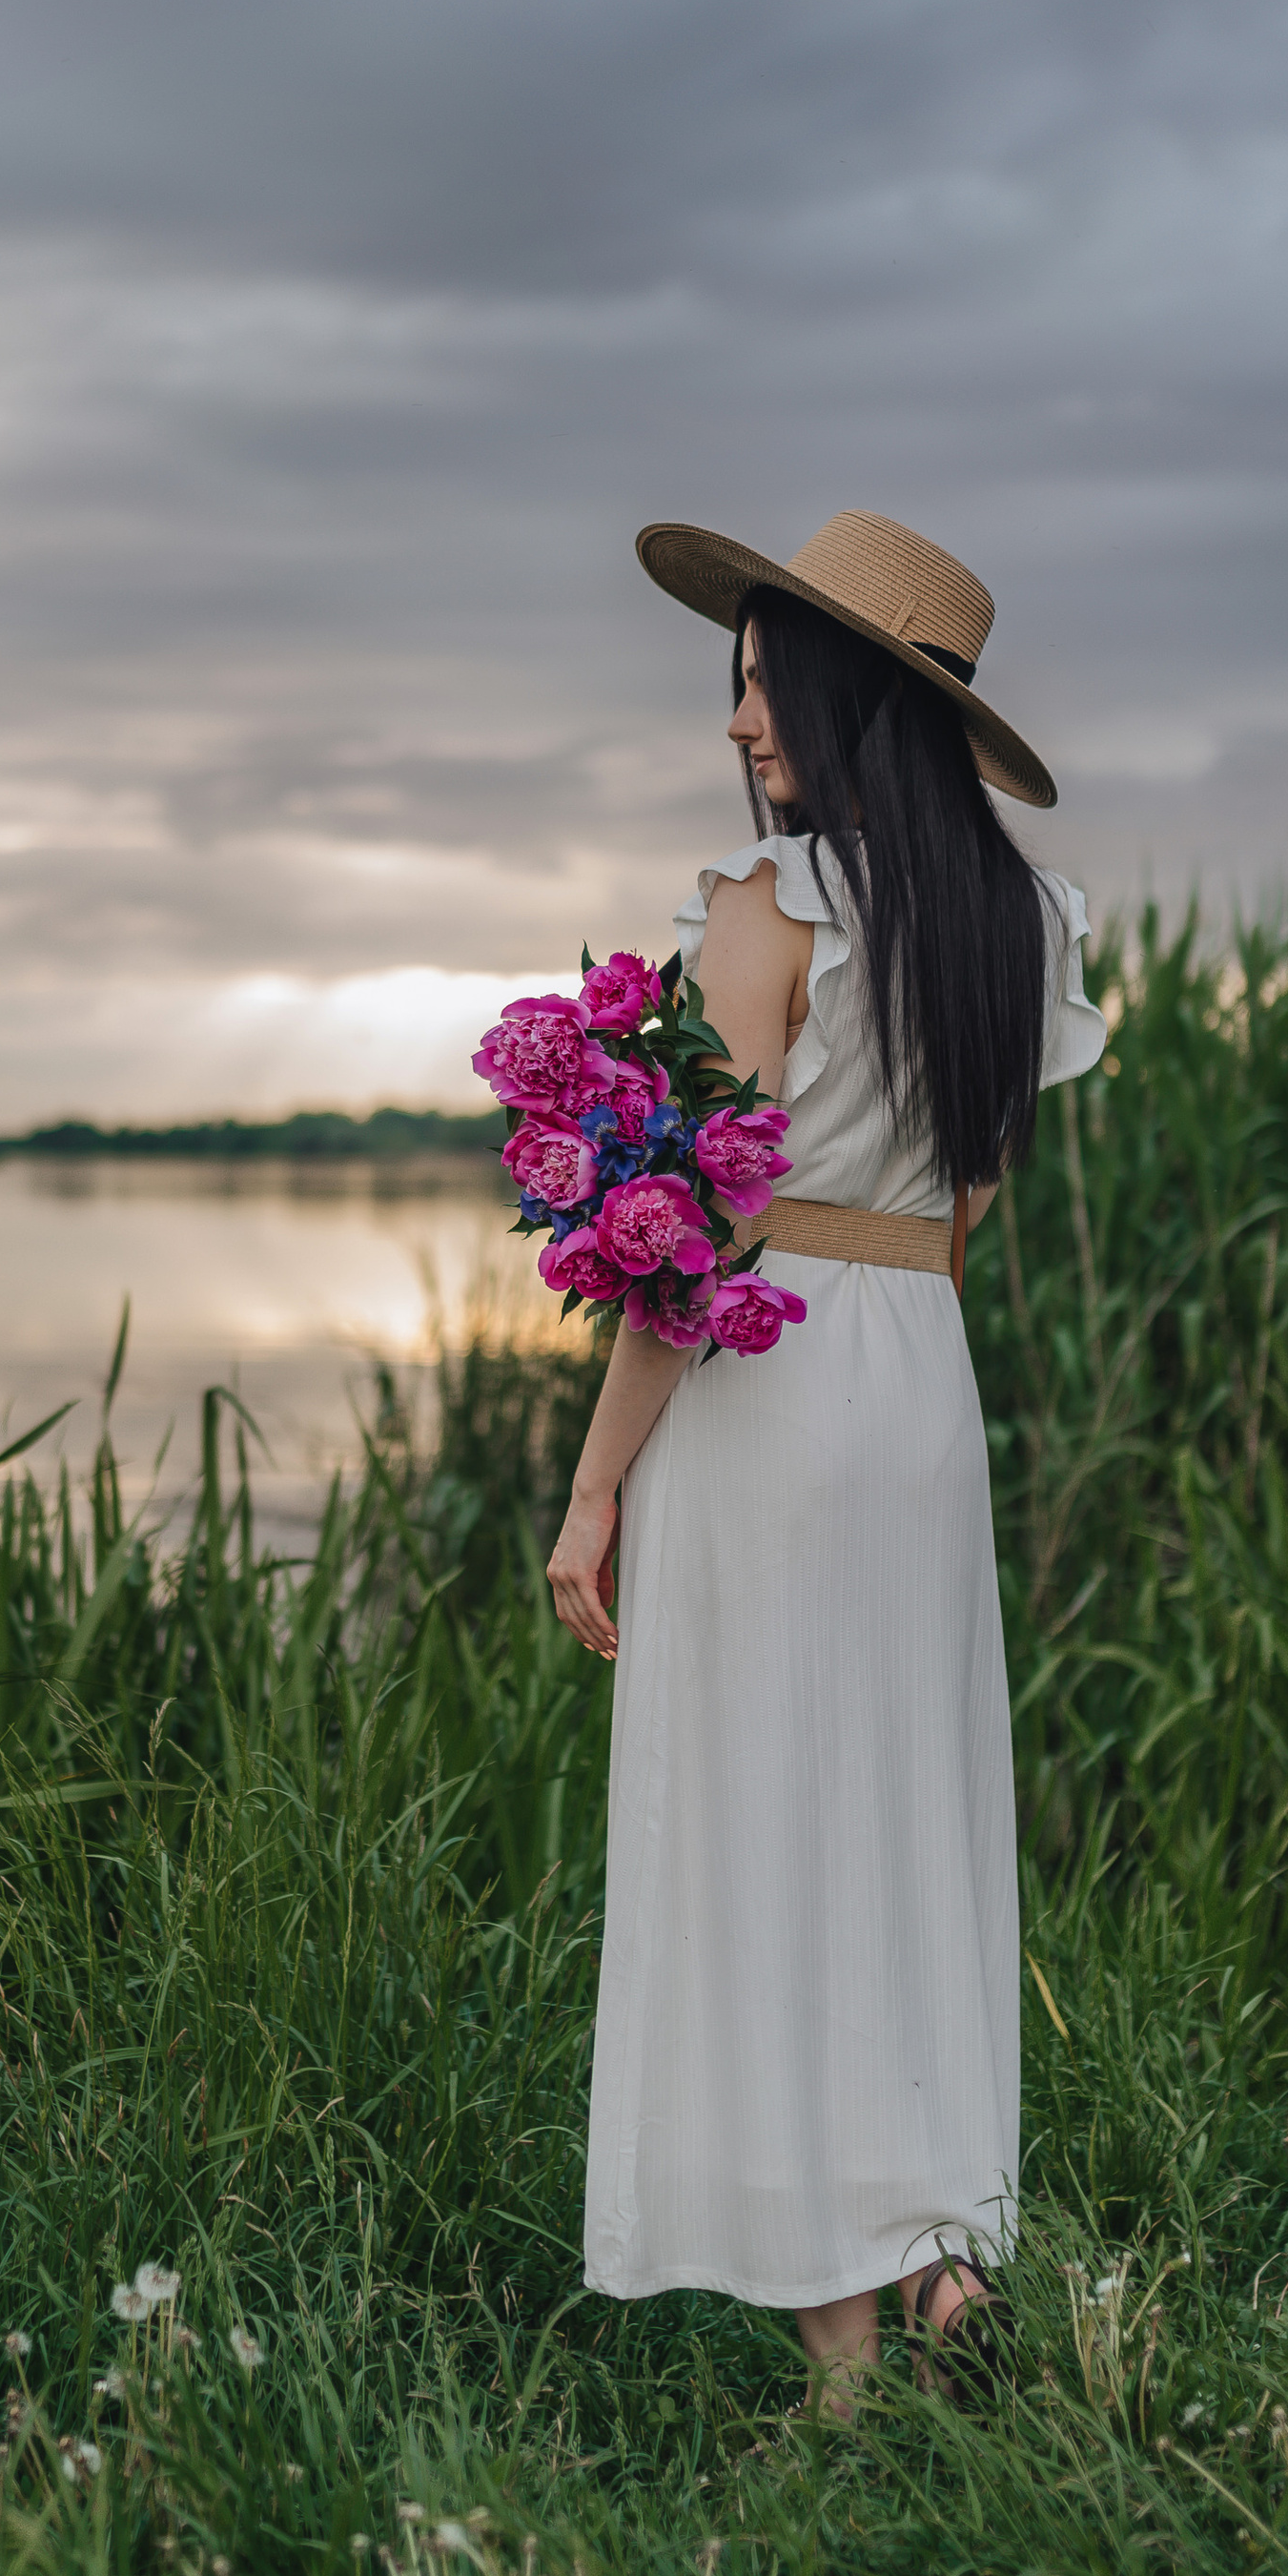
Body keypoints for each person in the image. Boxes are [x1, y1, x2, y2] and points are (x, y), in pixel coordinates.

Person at [546, 510, 1105, 2404]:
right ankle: (936, 2242)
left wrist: (594, 1479)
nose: (737, 719)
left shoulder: (763, 900)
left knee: (757, 1818)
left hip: (765, 1377)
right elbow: (960, 1213)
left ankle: (844, 2352)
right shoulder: (1016, 923)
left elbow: (686, 1231)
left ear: (851, 691)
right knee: (902, 1807)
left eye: (767, 677)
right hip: (913, 1380)